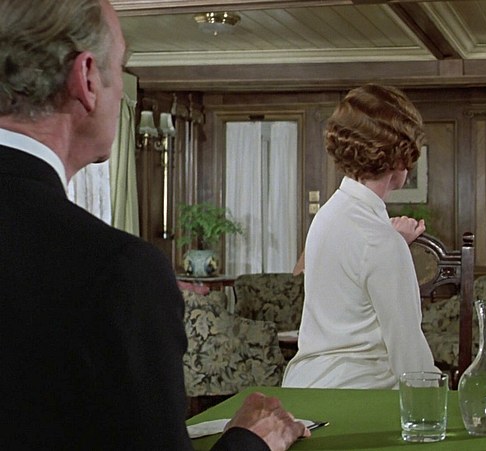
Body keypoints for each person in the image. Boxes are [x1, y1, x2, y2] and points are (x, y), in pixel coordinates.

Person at [0, 1, 307, 449]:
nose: (122, 90)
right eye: (121, 68)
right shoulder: (119, 272)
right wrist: (251, 440)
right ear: (87, 78)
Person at [282, 84, 438, 389]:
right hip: (360, 391)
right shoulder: (380, 240)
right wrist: (434, 405)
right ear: (401, 158)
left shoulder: (327, 217)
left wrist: (393, 243)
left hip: (306, 384)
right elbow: (409, 354)